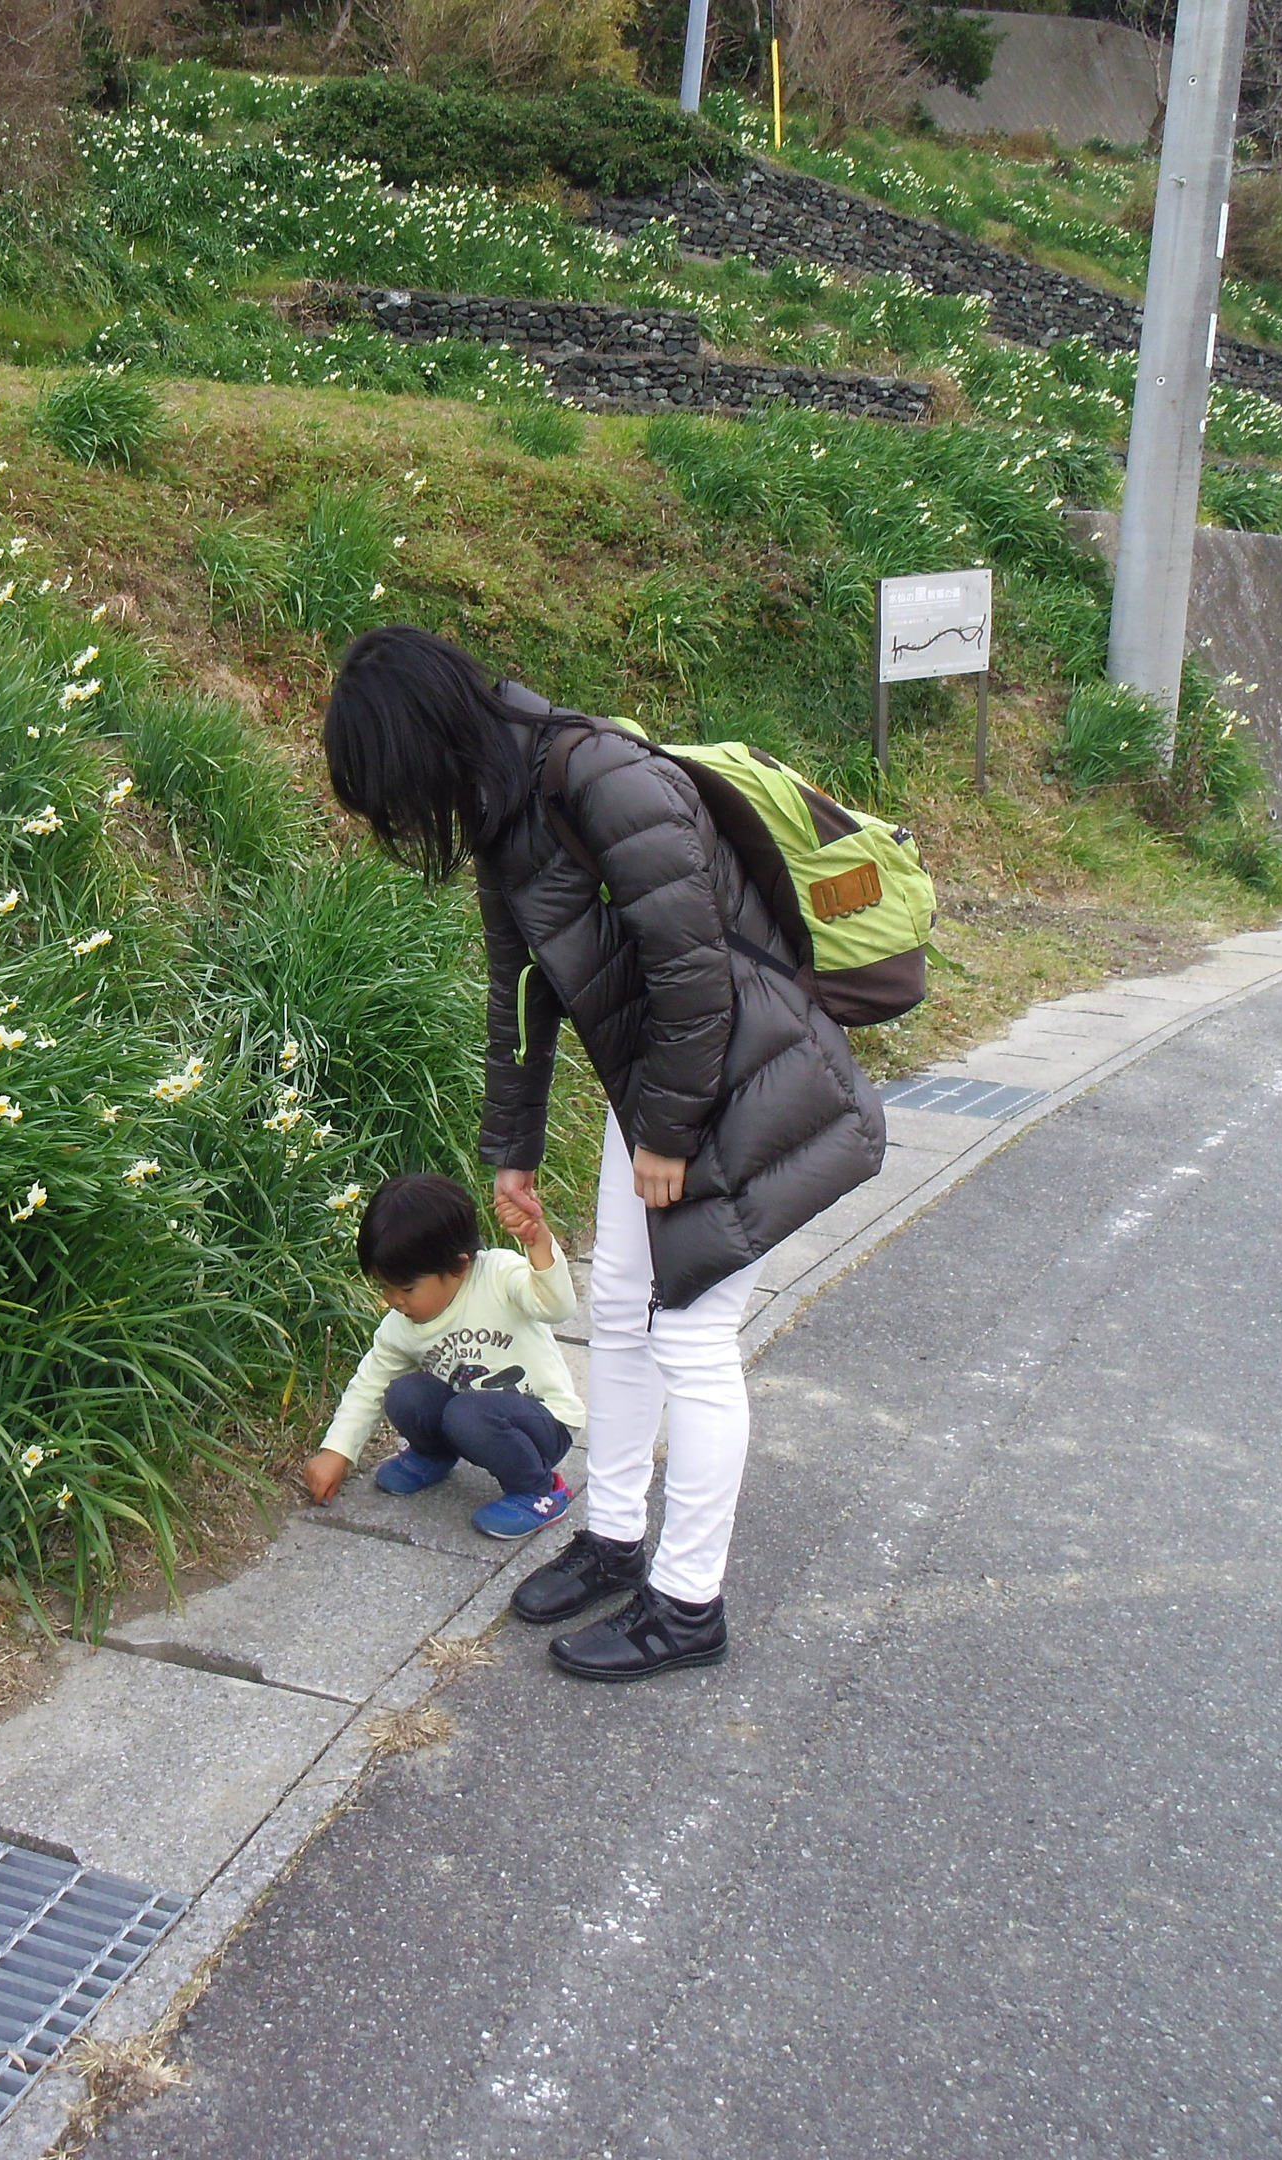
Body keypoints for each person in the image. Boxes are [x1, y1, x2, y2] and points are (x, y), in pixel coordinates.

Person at [321, 626, 885, 1682]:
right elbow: (517, 994)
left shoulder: (608, 779)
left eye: (394, 790)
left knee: (692, 1340)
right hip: (663, 1088)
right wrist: (514, 1150)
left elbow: (694, 971)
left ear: (431, 742)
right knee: (622, 1312)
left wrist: (668, 1133)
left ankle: (687, 1606)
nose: (404, 819)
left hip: (747, 1089)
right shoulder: (504, 804)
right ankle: (616, 1536)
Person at [302, 1173, 585, 1540]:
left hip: (542, 1423)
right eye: (384, 1287)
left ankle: (541, 1490)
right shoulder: (400, 1326)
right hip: (471, 1418)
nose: (394, 1300)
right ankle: (434, 1455)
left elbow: (557, 1306)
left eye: (406, 1288)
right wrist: (336, 1451)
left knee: (466, 1413)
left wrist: (539, 1245)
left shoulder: (498, 1275)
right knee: (404, 1393)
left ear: (459, 1266)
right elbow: (368, 1385)